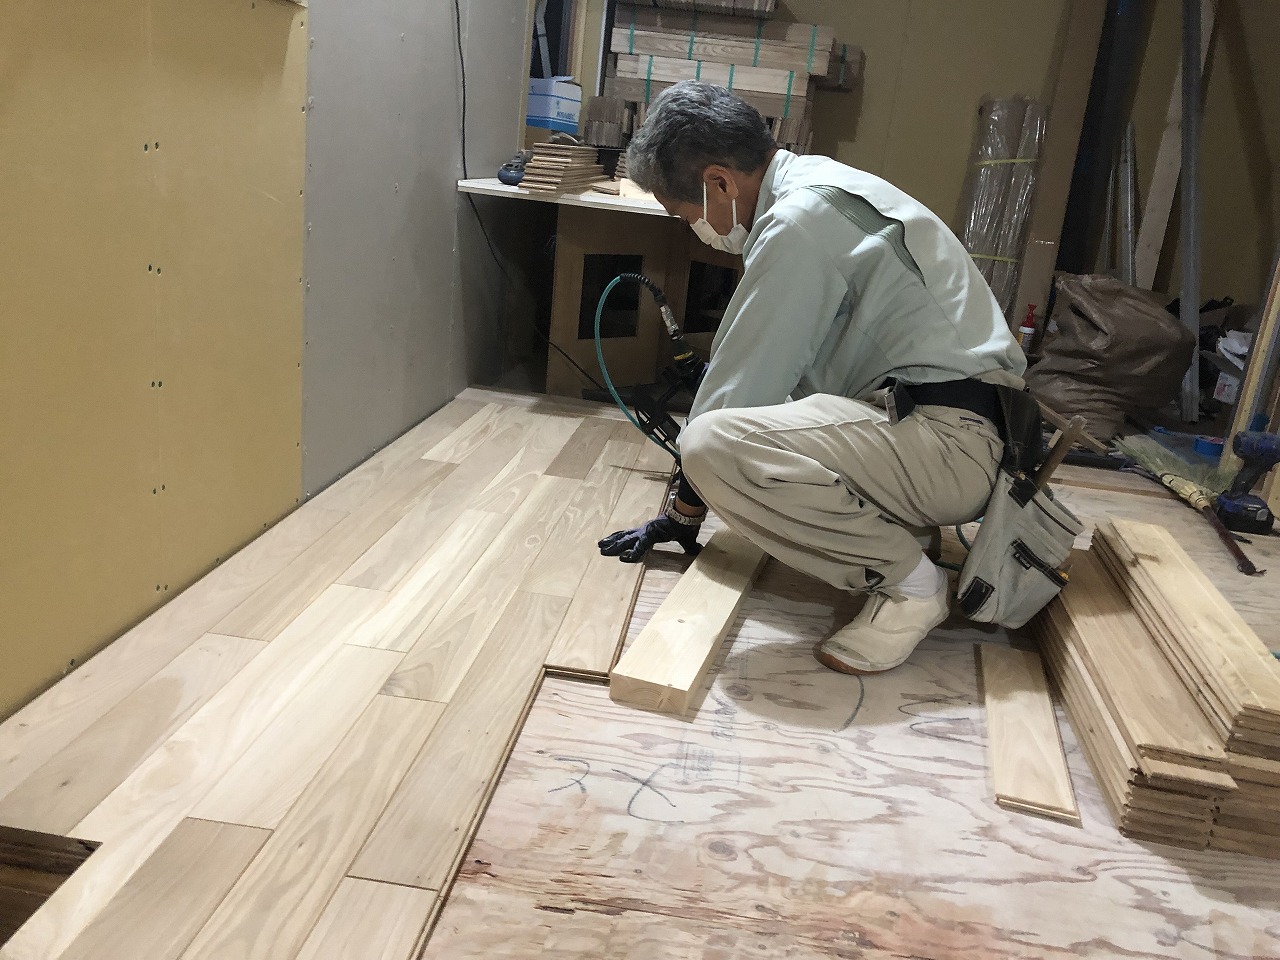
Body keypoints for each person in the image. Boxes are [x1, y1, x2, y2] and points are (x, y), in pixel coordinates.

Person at [598, 81, 1028, 676]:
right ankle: (903, 533)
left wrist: (685, 508)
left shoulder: (797, 223)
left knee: (712, 445)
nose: (694, 227)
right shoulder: (821, 186)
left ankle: (911, 588)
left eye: (687, 214)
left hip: (949, 446)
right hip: (960, 428)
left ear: (720, 182)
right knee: (775, 422)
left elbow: (736, 392)